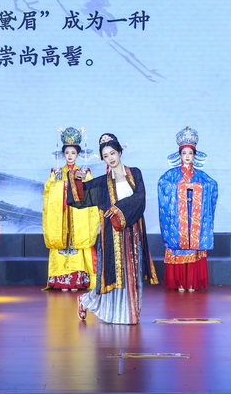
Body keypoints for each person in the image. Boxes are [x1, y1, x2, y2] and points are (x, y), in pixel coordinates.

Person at [67, 133, 158, 324]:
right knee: (113, 274)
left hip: (133, 232)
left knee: (132, 274)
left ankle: (130, 314)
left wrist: (118, 209)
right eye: (106, 155)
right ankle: (90, 302)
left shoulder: (135, 173)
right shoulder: (102, 183)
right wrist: (75, 178)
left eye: (113, 153)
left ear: (120, 152)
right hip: (112, 234)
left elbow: (140, 197)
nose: (110, 158)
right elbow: (79, 198)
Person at [158, 127, 218, 292]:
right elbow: (163, 185)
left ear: (194, 155)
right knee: (178, 244)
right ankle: (178, 282)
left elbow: (212, 185)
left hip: (194, 216)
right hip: (178, 217)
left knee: (193, 245)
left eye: (190, 153)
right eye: (184, 153)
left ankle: (192, 282)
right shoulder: (171, 174)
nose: (187, 156)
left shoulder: (200, 175)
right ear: (179, 155)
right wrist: (182, 187)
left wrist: (197, 187)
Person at [42, 127, 100, 291]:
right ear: (63, 154)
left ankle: (77, 279)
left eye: (73, 153)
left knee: (78, 243)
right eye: (67, 152)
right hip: (61, 215)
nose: (69, 156)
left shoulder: (84, 172)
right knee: (62, 242)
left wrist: (80, 182)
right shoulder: (57, 173)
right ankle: (61, 279)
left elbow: (91, 193)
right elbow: (48, 191)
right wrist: (60, 185)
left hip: (77, 215)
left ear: (78, 154)